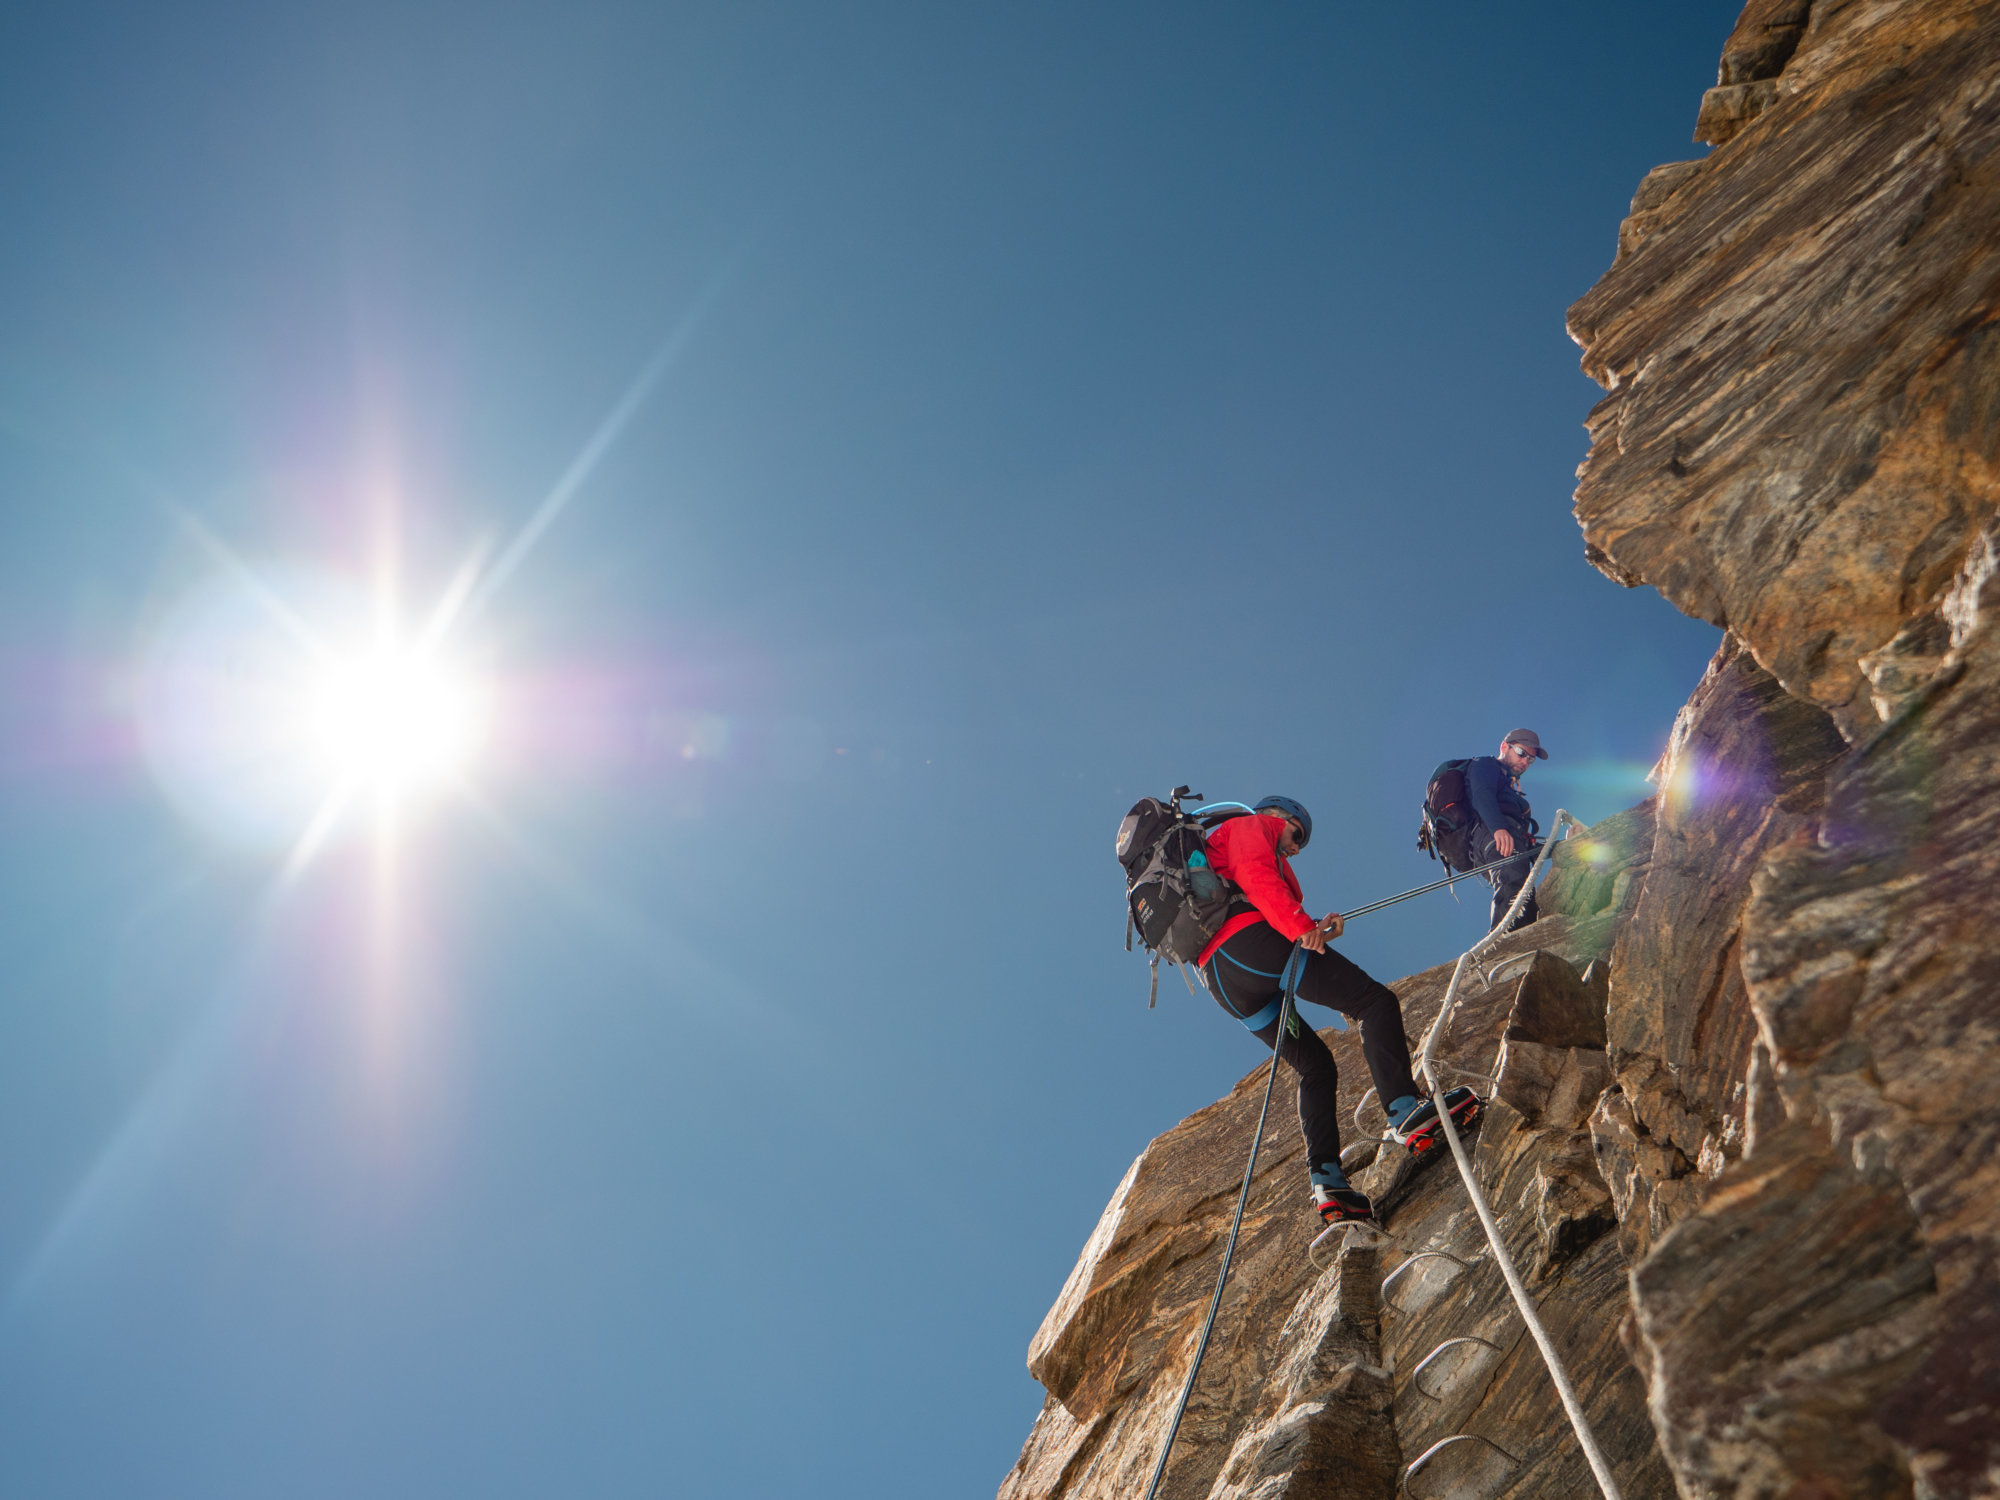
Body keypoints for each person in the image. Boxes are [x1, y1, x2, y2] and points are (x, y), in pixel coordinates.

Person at [1196, 796, 1478, 1226]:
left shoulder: (1219, 854)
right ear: (1277, 816)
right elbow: (1257, 879)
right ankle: (1406, 1113)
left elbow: (1265, 903)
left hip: (1226, 981)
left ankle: (1327, 1183)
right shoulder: (1252, 826)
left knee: (1315, 1067)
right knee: (1373, 1002)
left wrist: (1315, 928)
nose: (1294, 848)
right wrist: (1299, 927)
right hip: (1250, 948)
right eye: (1297, 835)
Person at [1465, 729, 1547, 933]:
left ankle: (1521, 944)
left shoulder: (1511, 789)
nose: (1526, 762)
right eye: (1521, 753)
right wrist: (1498, 828)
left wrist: (1558, 847)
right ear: (1504, 747)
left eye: (1531, 759)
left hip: (1504, 836)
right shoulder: (1485, 765)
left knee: (1524, 895)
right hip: (1491, 833)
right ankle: (1501, 948)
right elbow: (1481, 794)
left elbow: (1527, 843)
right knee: (1512, 881)